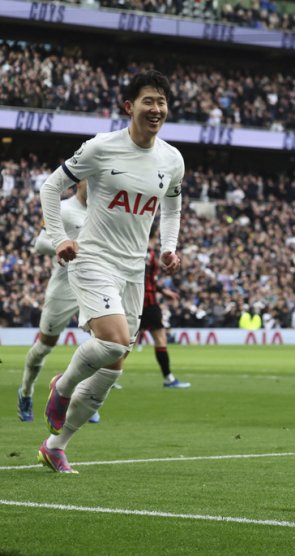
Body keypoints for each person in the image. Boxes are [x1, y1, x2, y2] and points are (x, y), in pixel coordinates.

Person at [37, 69, 184, 473]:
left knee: (114, 366)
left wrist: (168, 247)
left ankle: (56, 445)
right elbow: (50, 187)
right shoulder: (101, 148)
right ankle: (61, 386)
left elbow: (172, 206)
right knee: (115, 342)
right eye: (148, 101)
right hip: (93, 257)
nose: (156, 109)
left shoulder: (172, 159)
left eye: (162, 102)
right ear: (129, 106)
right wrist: (59, 237)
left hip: (134, 268)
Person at [18, 179, 90, 421]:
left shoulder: (104, 210)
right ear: (80, 182)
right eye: (93, 181)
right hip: (65, 286)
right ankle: (26, 392)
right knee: (44, 347)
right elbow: (39, 244)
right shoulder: (64, 209)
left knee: (105, 344)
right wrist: (69, 246)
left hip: (95, 285)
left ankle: (85, 400)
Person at [136, 223, 190, 388]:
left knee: (125, 342)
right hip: (148, 302)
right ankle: (168, 379)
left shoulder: (140, 250)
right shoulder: (149, 253)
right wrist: (157, 291)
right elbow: (144, 278)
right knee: (160, 339)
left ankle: (107, 379)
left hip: (137, 301)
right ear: (156, 233)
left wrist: (161, 290)